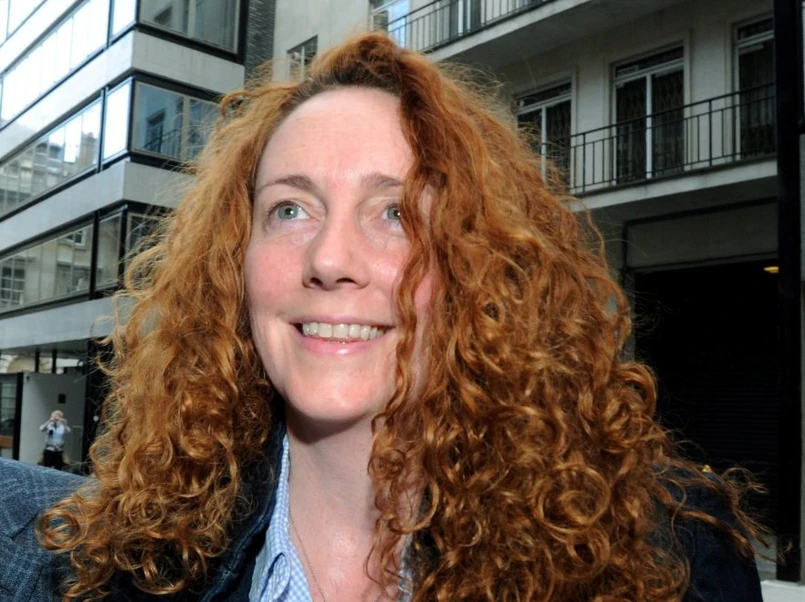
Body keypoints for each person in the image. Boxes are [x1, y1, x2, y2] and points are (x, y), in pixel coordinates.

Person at [0, 33, 765, 601]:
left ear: (476, 264)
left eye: (395, 212)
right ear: (234, 265)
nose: (330, 257)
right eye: (290, 209)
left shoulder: (668, 559)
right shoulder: (125, 566)